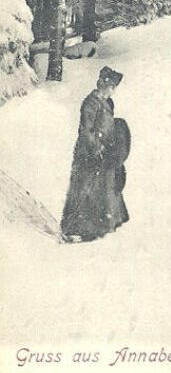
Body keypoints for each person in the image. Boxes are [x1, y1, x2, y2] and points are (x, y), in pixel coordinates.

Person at [61, 67, 130, 243]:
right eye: (112, 86)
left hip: (103, 153)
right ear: (104, 85)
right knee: (85, 190)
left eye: (115, 87)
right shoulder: (91, 103)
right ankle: (77, 228)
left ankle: (105, 223)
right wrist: (96, 147)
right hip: (88, 154)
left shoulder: (107, 103)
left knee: (104, 187)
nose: (113, 90)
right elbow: (86, 131)